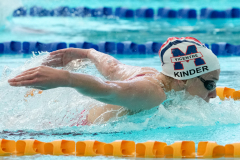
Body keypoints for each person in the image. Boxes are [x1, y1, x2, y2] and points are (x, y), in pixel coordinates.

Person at [8, 37, 220, 125]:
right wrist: (67, 77)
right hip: (70, 128)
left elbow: (112, 68)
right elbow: (107, 88)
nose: (214, 94)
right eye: (210, 84)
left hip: (73, 115)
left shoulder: (150, 74)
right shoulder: (152, 93)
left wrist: (88, 53)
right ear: (182, 80)